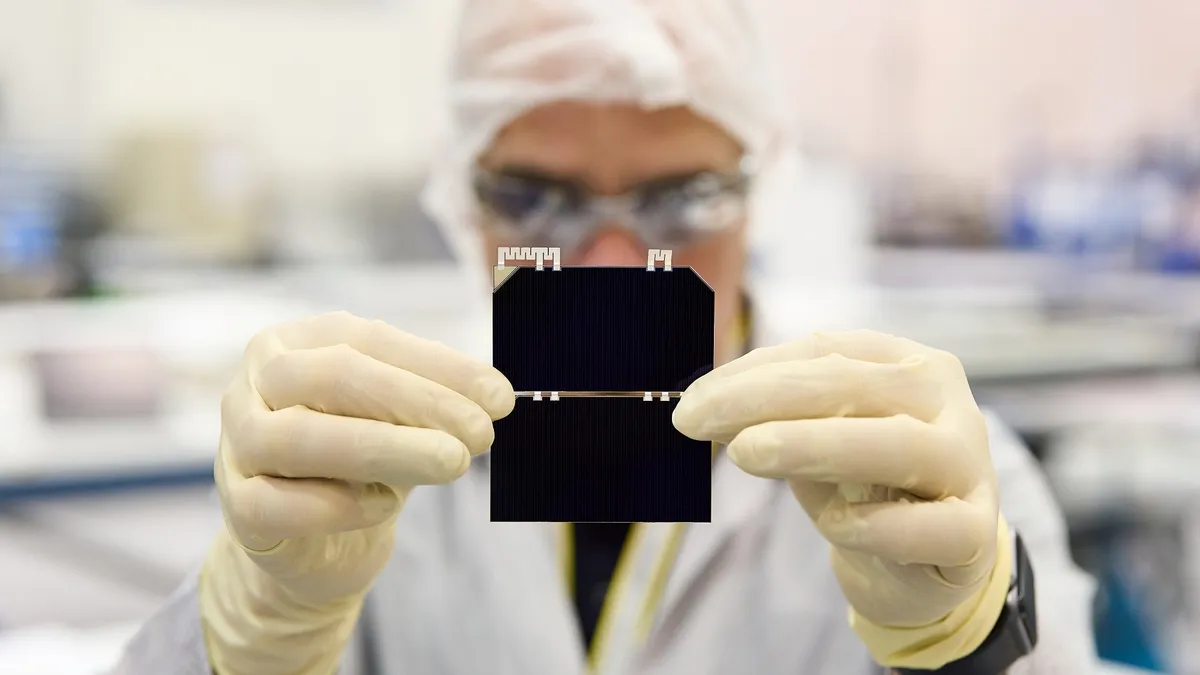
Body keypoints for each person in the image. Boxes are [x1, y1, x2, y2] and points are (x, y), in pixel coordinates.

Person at [114, 1, 1100, 673]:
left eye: (684, 196)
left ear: (764, 187)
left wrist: (973, 644)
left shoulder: (931, 471)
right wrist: (248, 635)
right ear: (462, 195)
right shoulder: (352, 457)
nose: (616, 265)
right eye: (536, 197)